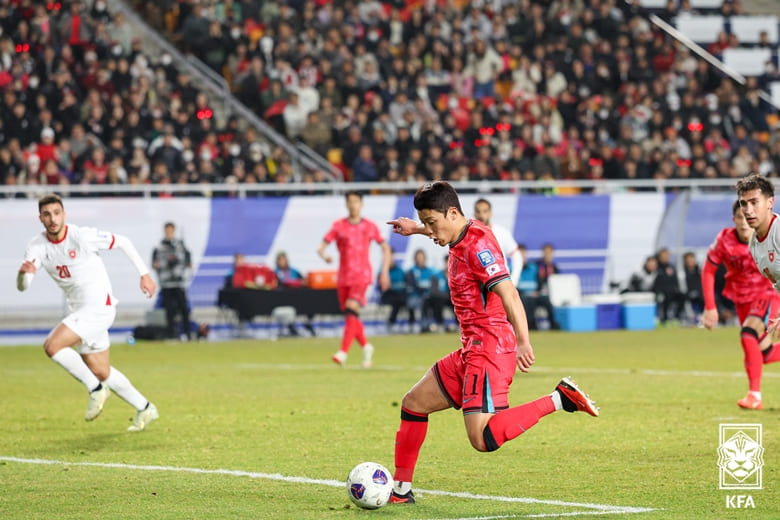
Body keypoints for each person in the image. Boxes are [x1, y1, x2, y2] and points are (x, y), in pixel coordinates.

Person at [386, 181, 598, 505]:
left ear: (452, 213)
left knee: (482, 438)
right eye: (426, 223)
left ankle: (559, 399)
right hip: (471, 348)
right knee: (413, 403)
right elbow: (440, 230)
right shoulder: (457, 234)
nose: (431, 231)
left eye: (432, 222)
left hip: (490, 348)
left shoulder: (479, 246)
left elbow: (509, 293)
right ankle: (401, 492)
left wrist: (524, 341)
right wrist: (415, 228)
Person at [16, 194, 159, 432]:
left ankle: (95, 389)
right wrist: (23, 274)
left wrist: (144, 274)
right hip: (81, 312)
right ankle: (145, 407)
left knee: (52, 346)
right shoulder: (37, 246)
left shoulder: (80, 236)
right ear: (40, 218)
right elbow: (24, 286)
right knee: (101, 370)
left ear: (64, 214)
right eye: (47, 214)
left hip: (99, 307)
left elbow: (122, 241)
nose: (53, 219)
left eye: (56, 213)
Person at [318, 191, 391, 368]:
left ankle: (343, 352)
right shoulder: (339, 226)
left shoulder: (369, 226)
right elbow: (322, 246)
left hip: (362, 276)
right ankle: (366, 346)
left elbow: (385, 248)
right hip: (344, 277)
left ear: (361, 204)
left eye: (356, 201)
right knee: (352, 316)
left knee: (351, 309)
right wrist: (324, 255)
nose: (353, 205)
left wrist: (384, 272)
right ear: (346, 204)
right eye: (350, 202)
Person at [733, 175, 780, 408]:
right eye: (744, 204)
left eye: (754, 202)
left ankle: (755, 395)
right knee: (763, 349)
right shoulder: (755, 245)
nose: (748, 210)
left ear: (770, 202)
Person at [152, 222, 193, 340]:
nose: (169, 232)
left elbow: (188, 261)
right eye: (167, 230)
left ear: (174, 231)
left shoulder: (181, 246)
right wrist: (161, 265)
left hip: (179, 282)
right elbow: (154, 263)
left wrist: (184, 266)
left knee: (184, 308)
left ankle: (188, 333)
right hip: (166, 283)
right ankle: (171, 334)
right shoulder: (159, 247)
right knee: (169, 310)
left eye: (171, 230)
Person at [473, 198, 523, 288]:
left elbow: (517, 256)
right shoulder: (468, 236)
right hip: (477, 285)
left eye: (485, 211)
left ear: (491, 213)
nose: (481, 215)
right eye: (478, 211)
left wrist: (513, 282)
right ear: (474, 214)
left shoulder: (501, 232)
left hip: (500, 284)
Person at [405, 248, 436, 332]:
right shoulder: (411, 271)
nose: (420, 259)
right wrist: (421, 290)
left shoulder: (430, 271)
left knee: (433, 302)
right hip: (415, 296)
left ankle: (428, 325)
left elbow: (433, 285)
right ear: (415, 259)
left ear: (425, 258)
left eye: (422, 257)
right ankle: (415, 325)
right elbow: (412, 285)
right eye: (418, 257)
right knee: (417, 303)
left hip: (428, 296)